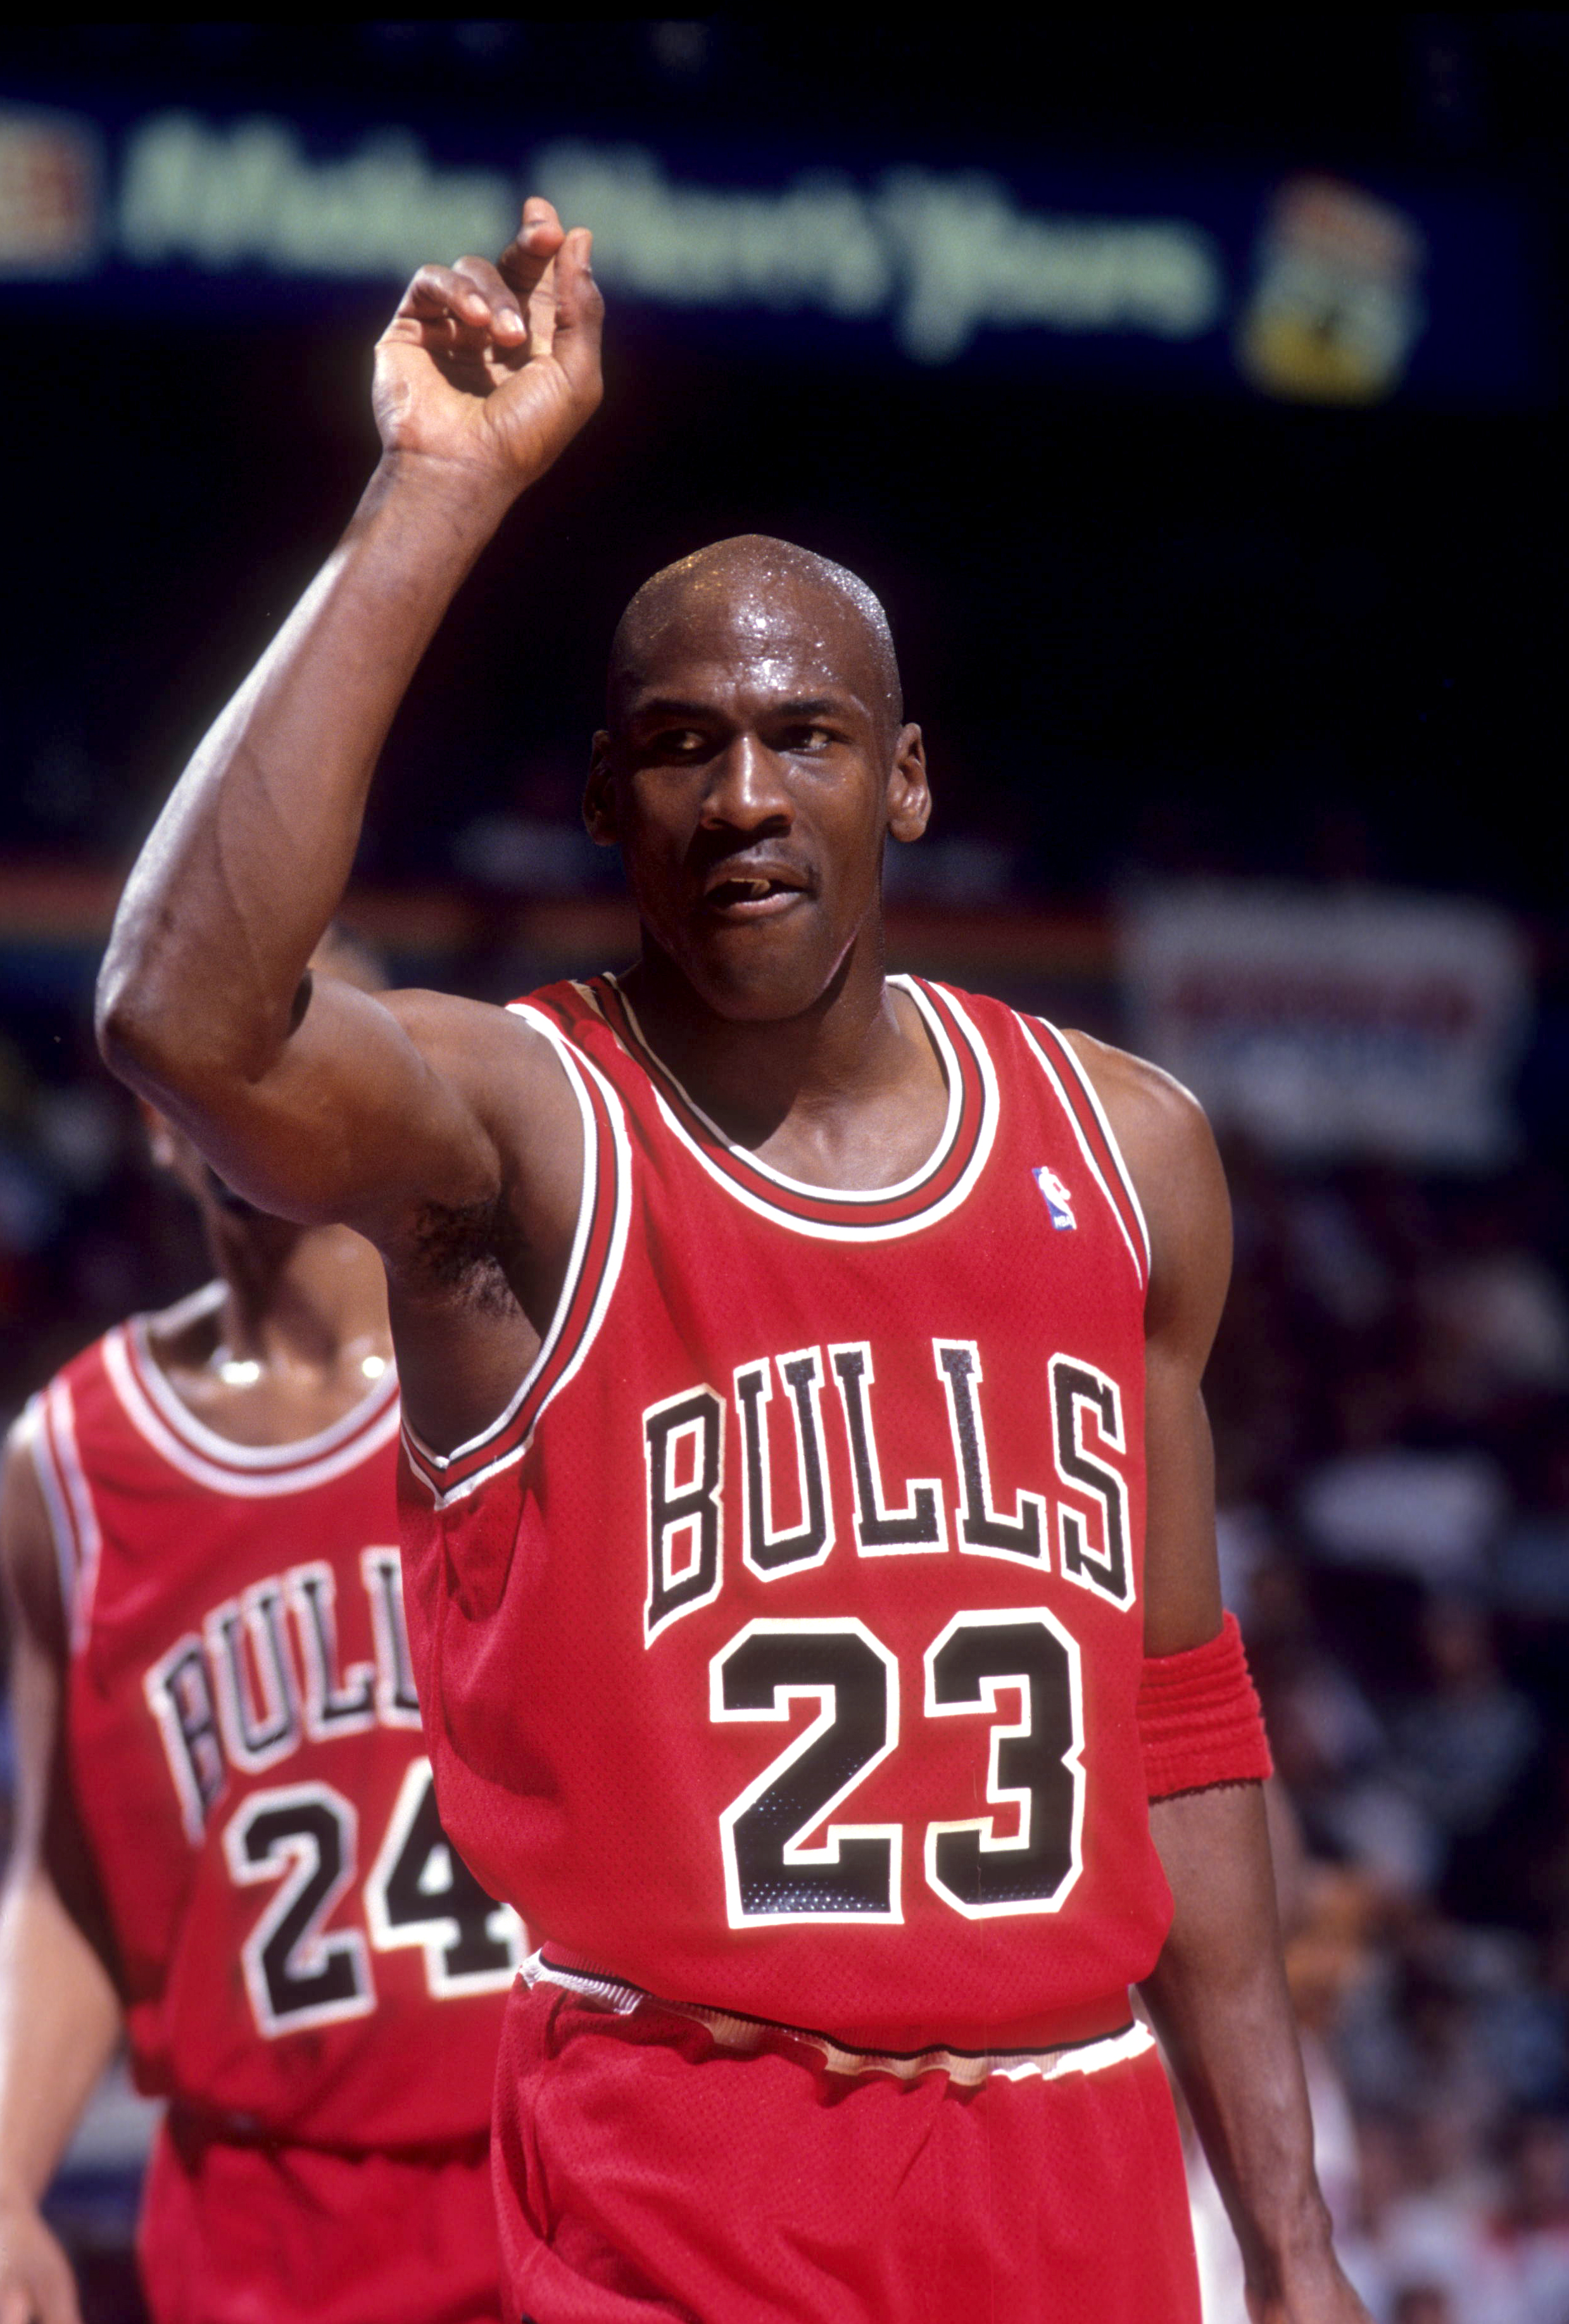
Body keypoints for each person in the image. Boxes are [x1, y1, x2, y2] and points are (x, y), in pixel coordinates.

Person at [92, 199, 1370, 2322]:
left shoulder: (1128, 1150)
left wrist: (1292, 2237)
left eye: (804, 740)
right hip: (677, 2153)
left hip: (1073, 2157)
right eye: (680, 747)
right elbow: (182, 1012)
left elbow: (1177, 1718)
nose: (744, 796)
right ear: (610, 799)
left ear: (908, 783)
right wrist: (430, 498)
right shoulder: (521, 1127)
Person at [0, 936, 523, 2324]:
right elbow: (65, 1880)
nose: (245, 1077)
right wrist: (0, 2185)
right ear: (150, 1108)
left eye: (294, 1032)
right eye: (205, 1040)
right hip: (261, 2242)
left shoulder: (539, 1380)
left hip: (560, 2182)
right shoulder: (69, 1457)